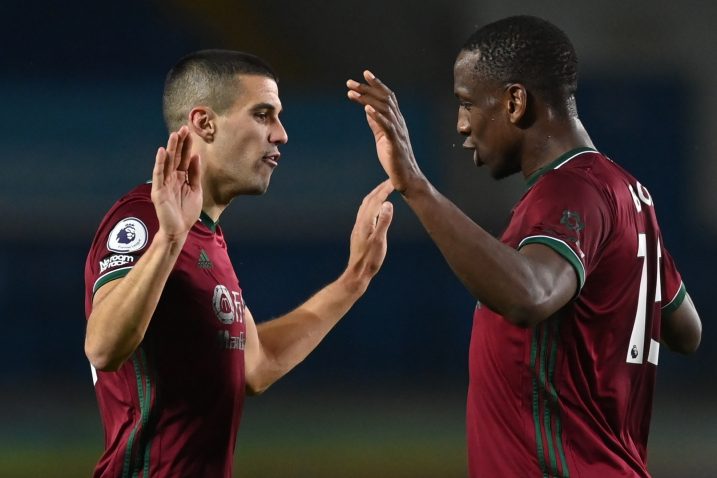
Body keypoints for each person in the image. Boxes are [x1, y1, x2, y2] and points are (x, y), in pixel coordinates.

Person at [347, 15, 701, 478]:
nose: (460, 125)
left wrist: (415, 185)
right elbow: (686, 329)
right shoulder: (626, 193)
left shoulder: (570, 191)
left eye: (468, 103)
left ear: (515, 101)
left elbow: (528, 295)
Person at [83, 49, 394, 478]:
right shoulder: (144, 219)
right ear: (204, 123)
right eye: (263, 115)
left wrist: (355, 277)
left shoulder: (207, 236)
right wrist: (170, 240)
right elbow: (102, 348)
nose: (281, 134)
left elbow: (257, 364)